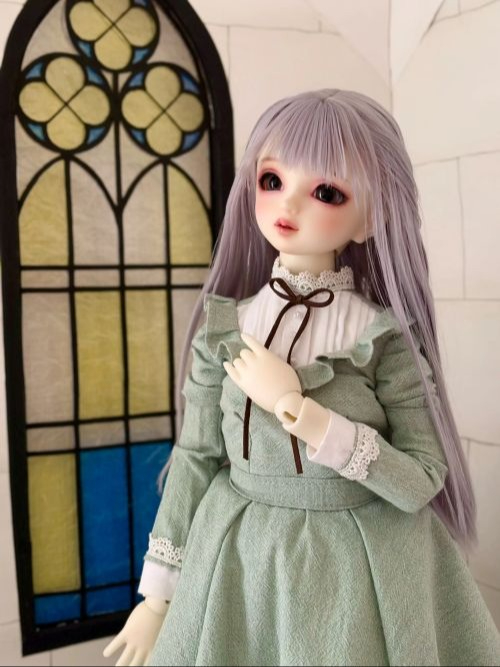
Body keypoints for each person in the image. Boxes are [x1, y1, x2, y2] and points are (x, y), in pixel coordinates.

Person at [104, 89, 500, 666]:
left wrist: (302, 412)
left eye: (327, 192)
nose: (288, 203)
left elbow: (421, 478)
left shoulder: (381, 337)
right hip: (237, 557)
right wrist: (157, 598)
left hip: (355, 564)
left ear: (369, 217)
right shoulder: (225, 326)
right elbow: (195, 457)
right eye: (271, 180)